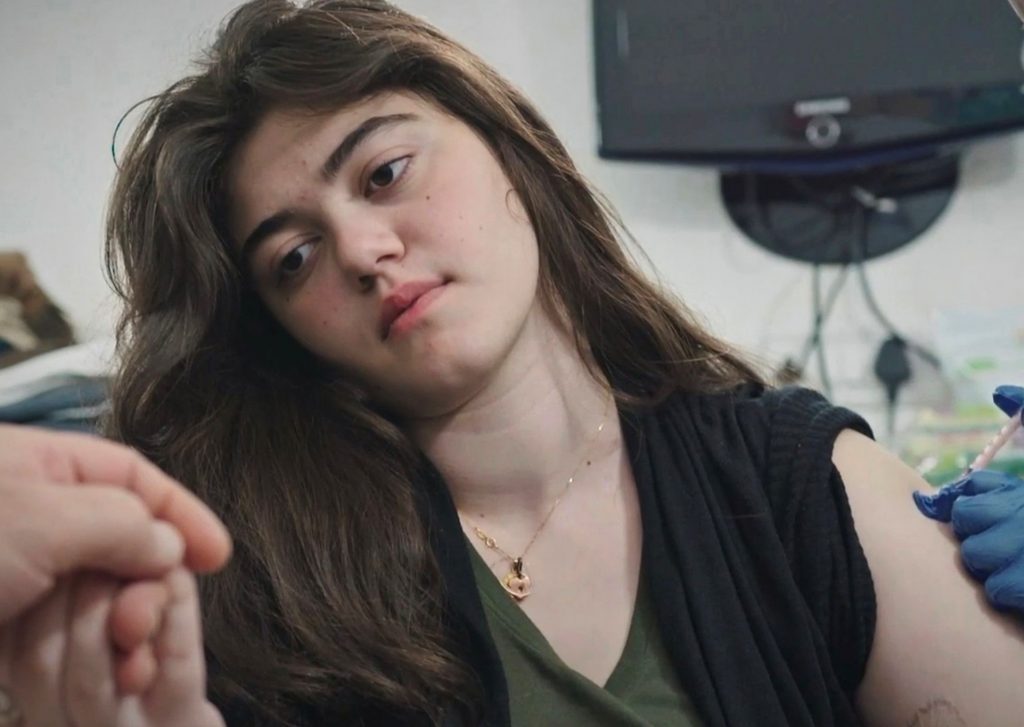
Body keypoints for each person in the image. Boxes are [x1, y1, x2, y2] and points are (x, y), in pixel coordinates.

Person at [1, 1, 1023, 725]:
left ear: (512, 155)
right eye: (293, 257)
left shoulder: (793, 480)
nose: (362, 250)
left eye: (385, 171)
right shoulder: (269, 604)